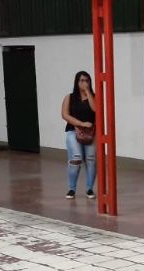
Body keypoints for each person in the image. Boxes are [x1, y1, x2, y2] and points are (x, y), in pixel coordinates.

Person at [61, 71, 96, 199]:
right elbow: (65, 114)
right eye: (82, 80)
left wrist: (88, 93)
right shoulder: (69, 97)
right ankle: (71, 188)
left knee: (91, 159)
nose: (85, 83)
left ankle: (90, 188)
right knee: (76, 158)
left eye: (87, 80)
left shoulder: (94, 96)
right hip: (73, 130)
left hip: (90, 132)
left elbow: (96, 109)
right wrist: (80, 124)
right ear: (77, 82)